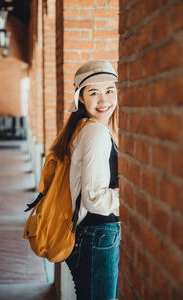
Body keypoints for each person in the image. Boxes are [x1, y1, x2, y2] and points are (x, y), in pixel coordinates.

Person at [50, 60, 121, 300]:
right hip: (98, 234)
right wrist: (134, 198)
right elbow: (95, 199)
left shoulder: (84, 127)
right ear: (81, 97)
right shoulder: (95, 132)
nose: (104, 101)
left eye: (110, 91)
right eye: (94, 92)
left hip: (90, 235)